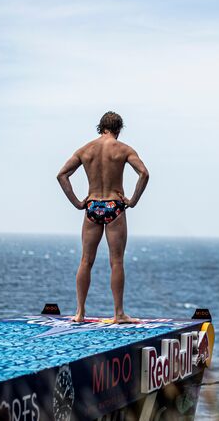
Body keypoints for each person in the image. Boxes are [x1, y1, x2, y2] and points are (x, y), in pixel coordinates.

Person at [56, 111, 149, 323]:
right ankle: (118, 313)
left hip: (92, 206)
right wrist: (133, 200)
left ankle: (79, 313)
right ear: (119, 129)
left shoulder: (85, 150)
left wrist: (77, 202)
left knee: (85, 260)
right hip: (114, 206)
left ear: (101, 127)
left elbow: (62, 175)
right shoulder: (123, 149)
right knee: (116, 262)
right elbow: (144, 173)